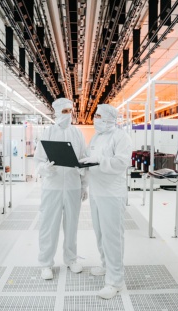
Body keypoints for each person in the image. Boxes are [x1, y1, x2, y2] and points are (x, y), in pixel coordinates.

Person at [80, 104, 132, 299]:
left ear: (110, 118)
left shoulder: (121, 137)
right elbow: (87, 158)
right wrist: (83, 178)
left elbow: (120, 163)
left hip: (112, 193)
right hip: (96, 191)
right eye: (96, 115)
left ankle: (115, 281)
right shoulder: (96, 137)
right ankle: (105, 265)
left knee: (113, 237)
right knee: (100, 233)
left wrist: (99, 159)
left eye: (99, 116)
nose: (96, 119)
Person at [34, 98, 88, 280]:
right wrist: (45, 169)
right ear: (56, 112)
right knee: (49, 225)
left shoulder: (77, 133)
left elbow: (84, 158)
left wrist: (83, 182)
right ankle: (46, 263)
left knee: (71, 225)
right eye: (64, 111)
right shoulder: (47, 132)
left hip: (73, 186)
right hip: (53, 187)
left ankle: (71, 259)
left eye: (70, 111)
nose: (68, 115)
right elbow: (38, 161)